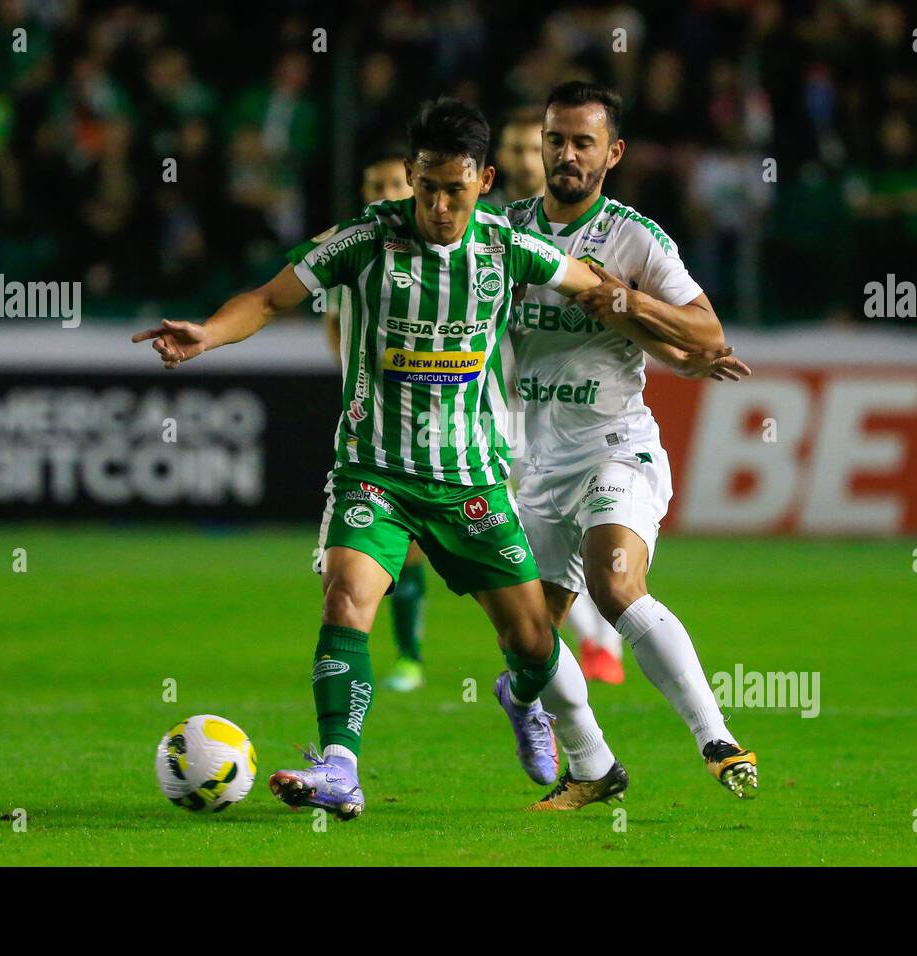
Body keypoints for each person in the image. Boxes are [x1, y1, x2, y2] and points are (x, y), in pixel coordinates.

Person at [132, 98, 720, 819]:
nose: (440, 205)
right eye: (427, 187)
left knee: (535, 641)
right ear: (411, 177)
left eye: (456, 189)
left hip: (470, 480)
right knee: (346, 599)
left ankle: (568, 737)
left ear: (485, 180)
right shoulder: (363, 239)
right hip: (373, 470)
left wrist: (687, 345)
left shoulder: (510, 248)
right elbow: (268, 297)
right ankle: (340, 766)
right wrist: (208, 335)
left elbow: (604, 293)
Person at [504, 81, 758, 804]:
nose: (566, 154)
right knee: (528, 642)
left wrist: (625, 299)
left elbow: (707, 331)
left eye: (583, 142)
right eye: (555, 139)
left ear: (612, 154)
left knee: (616, 586)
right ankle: (592, 768)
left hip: (617, 447)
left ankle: (717, 739)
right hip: (539, 464)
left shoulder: (635, 237)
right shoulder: (505, 233)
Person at [321, 147, 429, 693]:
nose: (384, 195)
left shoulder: (446, 258)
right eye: (374, 185)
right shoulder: (353, 254)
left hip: (458, 431)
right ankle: (408, 657)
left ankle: (547, 666)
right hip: (378, 432)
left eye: (394, 184)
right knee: (385, 555)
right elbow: (335, 326)